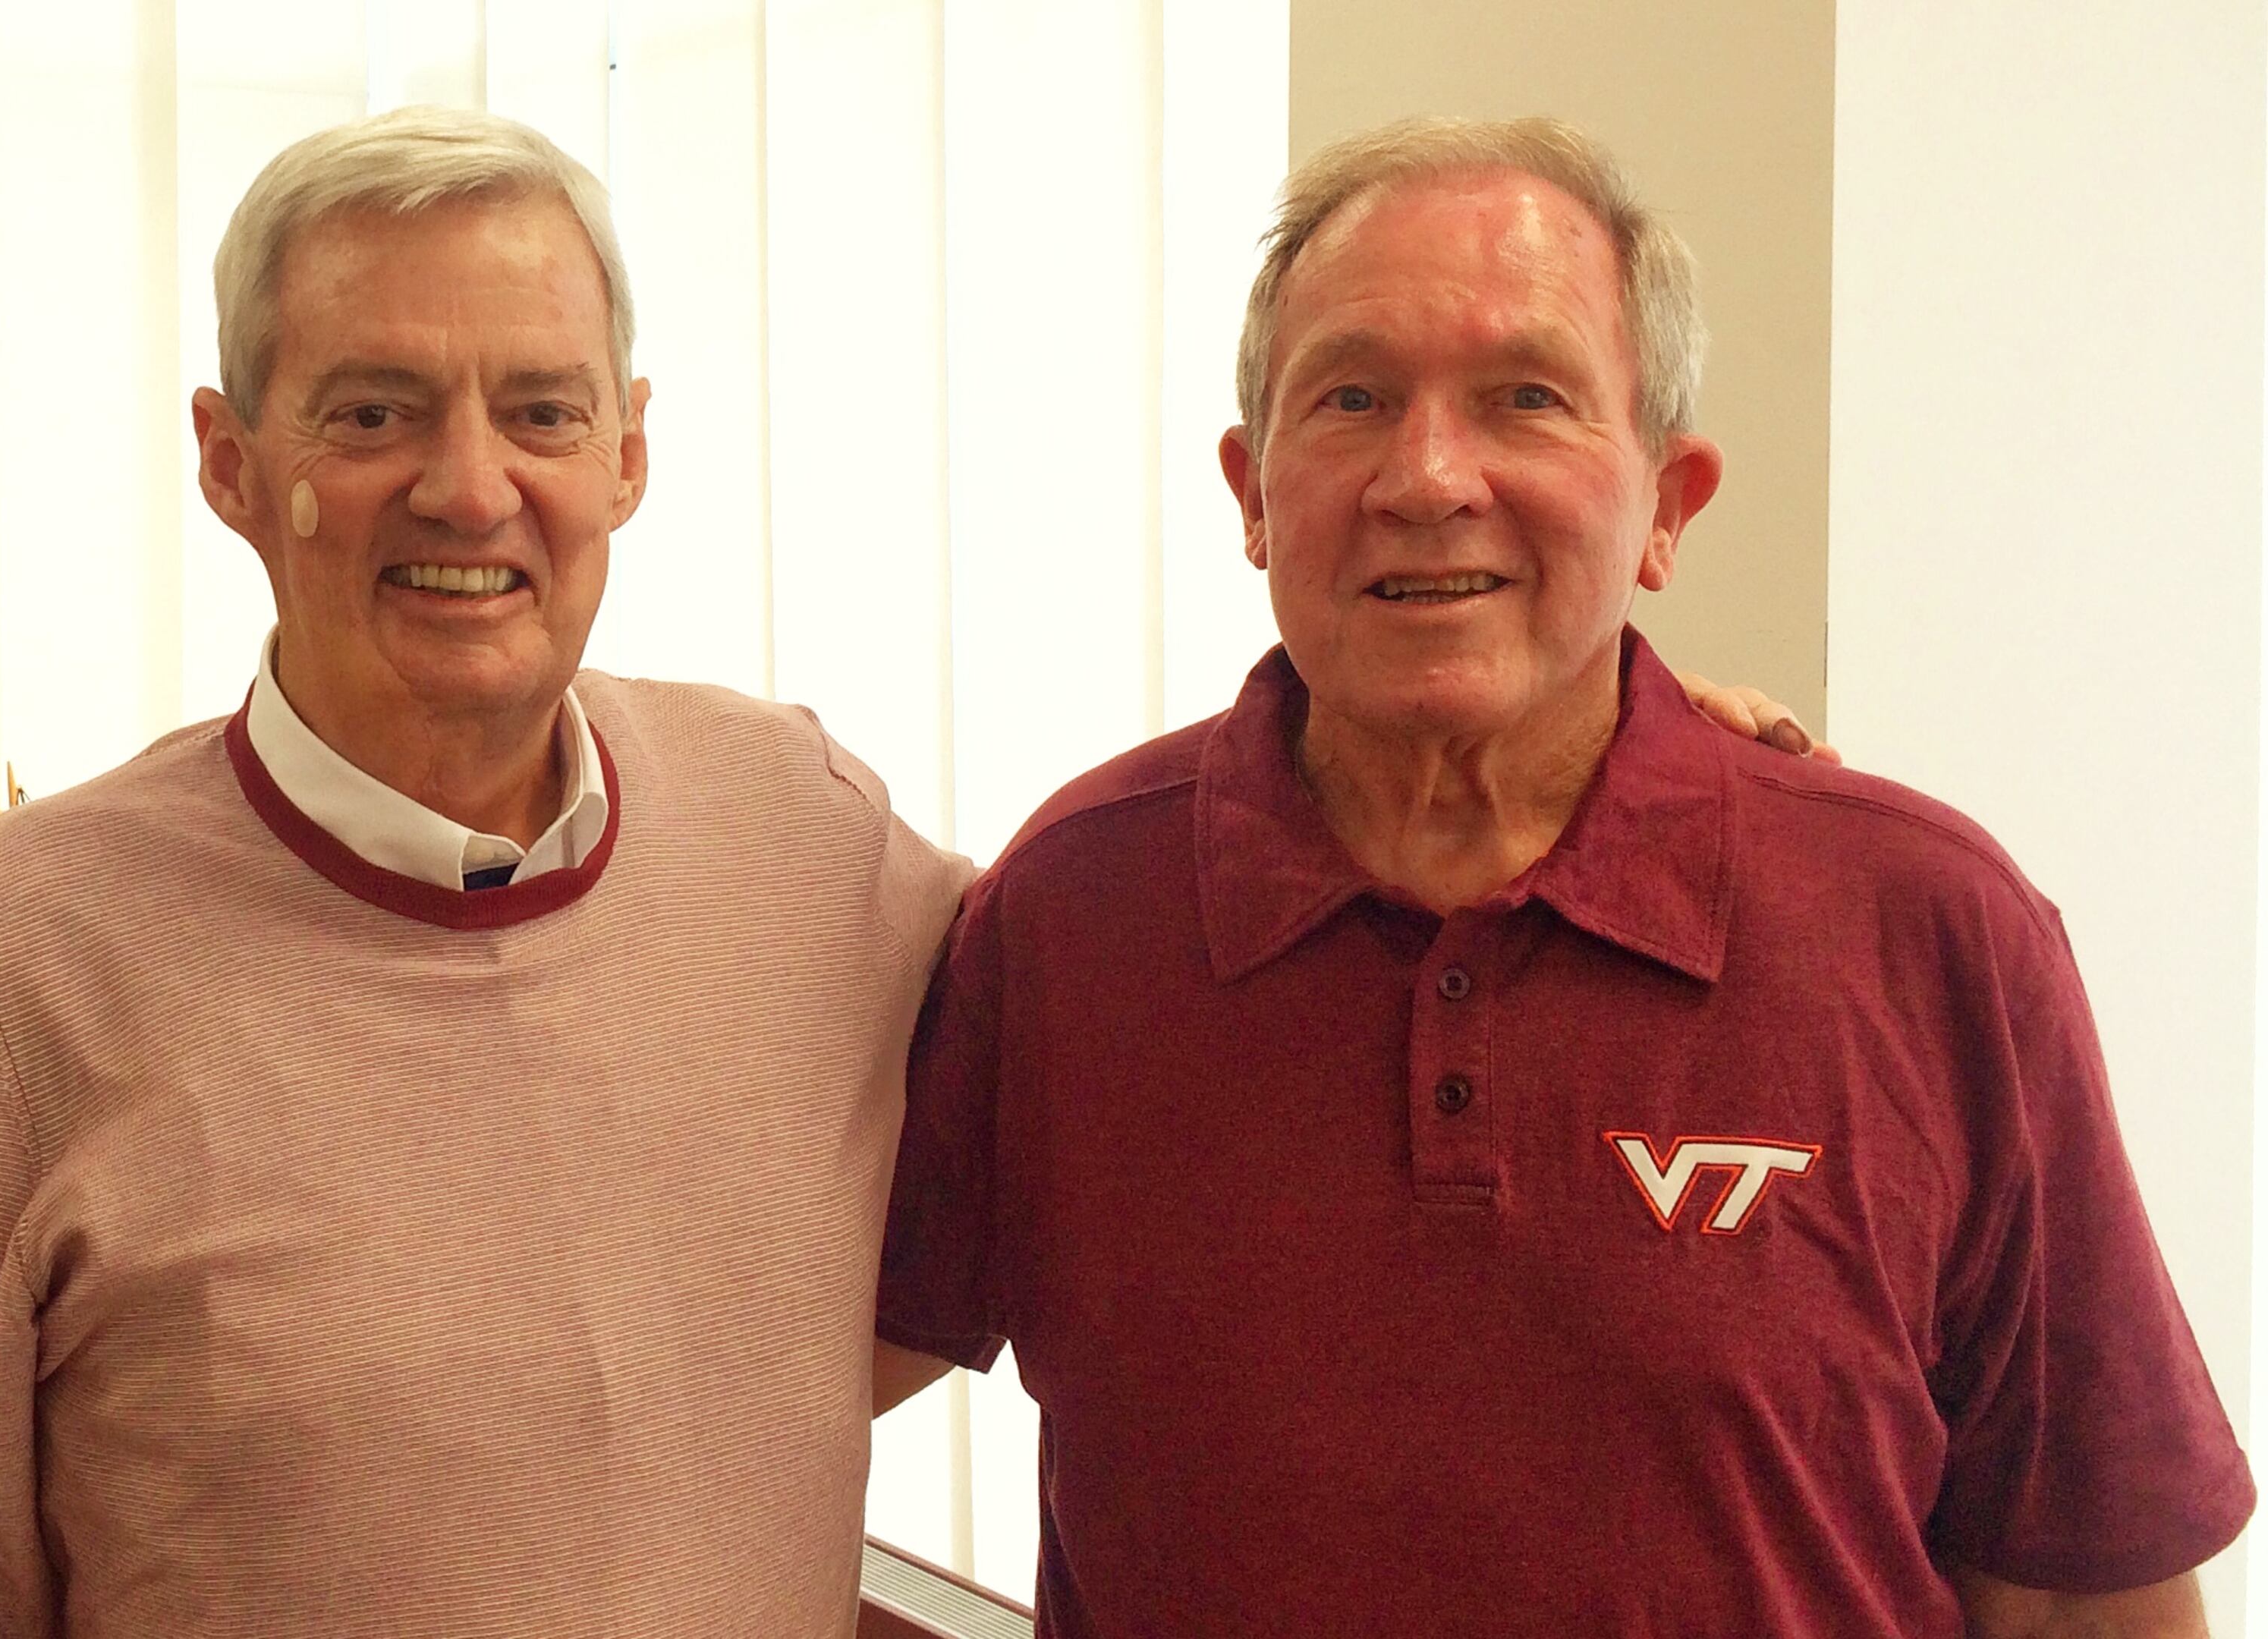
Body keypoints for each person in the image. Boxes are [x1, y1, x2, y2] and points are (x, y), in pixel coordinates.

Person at [0, 105, 1817, 1636]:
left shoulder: (797, 832)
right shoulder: (10, 962)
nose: (468, 487)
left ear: (629, 457)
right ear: (233, 463)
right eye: (375, 410)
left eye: (538, 410)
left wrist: (1600, 739)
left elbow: (1152, 1012)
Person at [873, 115, 2254, 1637]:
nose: (1428, 476)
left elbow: (2084, 1599)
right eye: (1351, 397)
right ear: (1250, 491)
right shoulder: (1069, 919)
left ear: (1670, 503)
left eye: (1525, 398)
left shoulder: (1930, 933)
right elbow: (745, 1383)